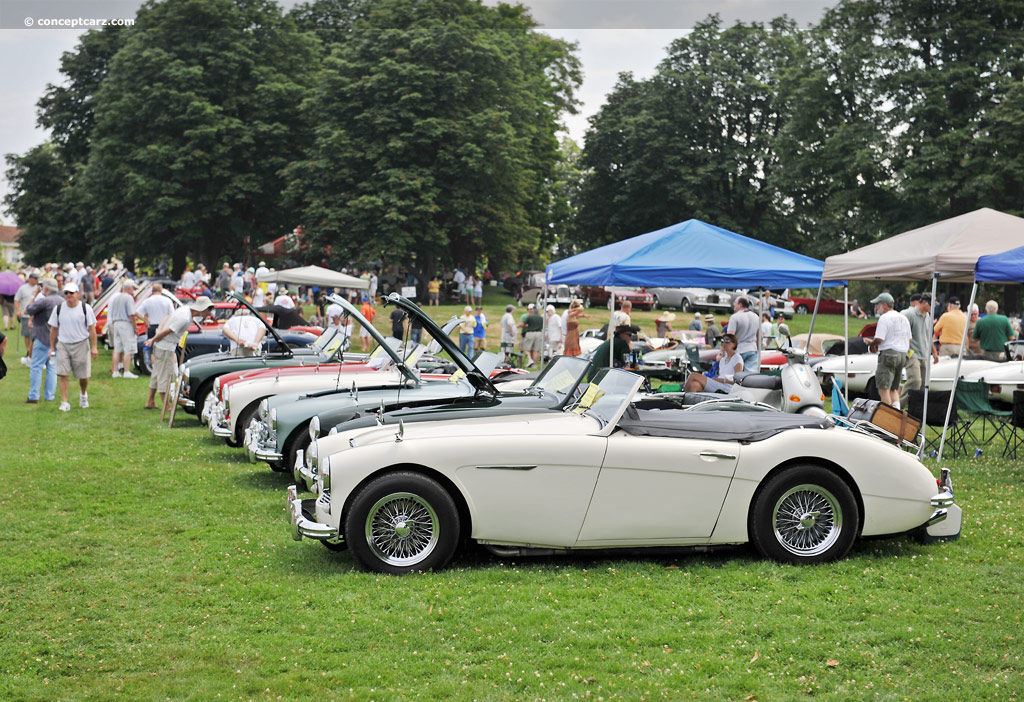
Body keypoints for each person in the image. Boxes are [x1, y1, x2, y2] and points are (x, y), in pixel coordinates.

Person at [144, 296, 214, 409]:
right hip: (165, 348)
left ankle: (150, 401)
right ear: (202, 309)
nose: (209, 313)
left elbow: (167, 318)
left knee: (157, 374)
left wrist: (157, 335)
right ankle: (166, 405)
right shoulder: (185, 318)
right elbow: (168, 331)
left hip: (163, 346)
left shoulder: (185, 309)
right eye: (208, 310)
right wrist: (153, 339)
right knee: (166, 376)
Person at [48, 282, 98, 412]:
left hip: (81, 343)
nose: (68, 295)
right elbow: (53, 330)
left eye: (71, 293)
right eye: (66, 293)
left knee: (83, 376)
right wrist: (52, 348)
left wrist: (94, 347)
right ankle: (64, 402)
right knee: (63, 374)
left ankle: (83, 394)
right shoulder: (58, 309)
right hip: (63, 344)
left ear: (77, 294)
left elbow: (92, 329)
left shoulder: (85, 308)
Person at [867, 292, 911, 407]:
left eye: (877, 304)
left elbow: (879, 339)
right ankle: (897, 413)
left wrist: (871, 343)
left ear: (884, 304)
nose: (876, 307)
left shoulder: (884, 318)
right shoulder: (903, 318)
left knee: (883, 388)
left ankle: (888, 418)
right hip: (903, 354)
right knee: (894, 389)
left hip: (889, 354)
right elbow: (909, 339)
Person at [25, 277, 61, 403]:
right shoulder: (61, 301)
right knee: (52, 368)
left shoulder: (45, 301)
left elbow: (28, 309)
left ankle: (34, 395)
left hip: (42, 337)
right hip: (56, 340)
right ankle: (49, 396)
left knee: (36, 367)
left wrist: (33, 295)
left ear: (46, 288)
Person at [901, 294, 938, 406]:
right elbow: (902, 334)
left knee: (925, 384)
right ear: (925, 303)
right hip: (912, 353)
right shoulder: (909, 314)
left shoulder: (928, 316)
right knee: (915, 381)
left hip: (924, 355)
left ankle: (917, 410)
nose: (933, 308)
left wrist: (934, 352)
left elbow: (928, 336)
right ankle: (898, 407)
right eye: (931, 305)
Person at [107, 278, 140, 378]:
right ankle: (126, 371)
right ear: (129, 288)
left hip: (116, 323)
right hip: (125, 324)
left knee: (117, 348)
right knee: (128, 349)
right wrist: (135, 327)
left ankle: (116, 371)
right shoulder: (128, 298)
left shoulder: (116, 297)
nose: (133, 291)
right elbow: (131, 314)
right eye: (133, 289)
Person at [727, 296, 760, 372]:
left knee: (735, 376)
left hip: (739, 350)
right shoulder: (756, 317)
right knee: (750, 377)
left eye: (735, 303)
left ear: (740, 305)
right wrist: (758, 349)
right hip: (752, 349)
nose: (734, 305)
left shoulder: (734, 317)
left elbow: (730, 336)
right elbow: (760, 336)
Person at [14, 270, 39, 363]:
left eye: (36, 279)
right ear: (30, 279)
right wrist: (18, 311)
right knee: (26, 334)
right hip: (25, 314)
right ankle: (28, 350)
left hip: (36, 315)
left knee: (34, 334)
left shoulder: (38, 288)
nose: (35, 280)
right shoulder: (23, 288)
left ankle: (33, 351)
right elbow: (17, 300)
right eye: (34, 279)